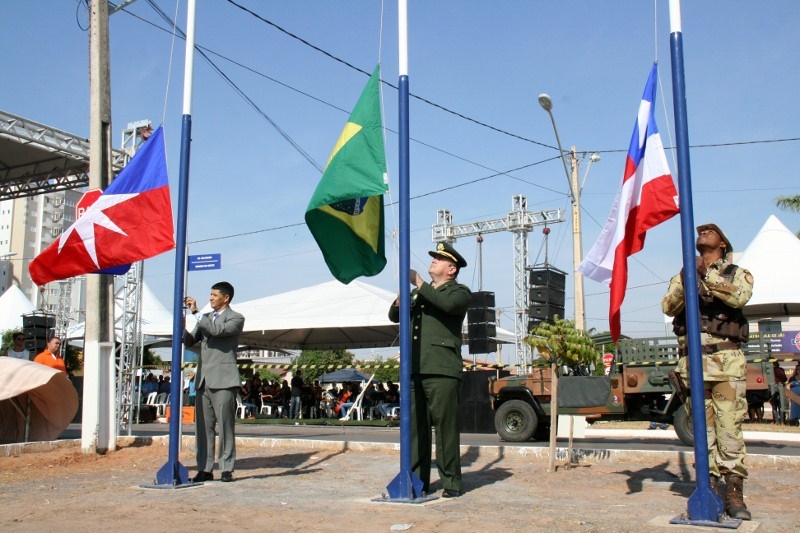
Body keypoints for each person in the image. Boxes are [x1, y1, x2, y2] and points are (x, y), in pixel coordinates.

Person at [661, 223, 753, 520]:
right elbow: (668, 305)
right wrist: (690, 277)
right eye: (700, 231)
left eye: (710, 231)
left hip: (726, 365)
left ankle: (734, 492)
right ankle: (708, 485)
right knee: (703, 432)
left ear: (722, 244)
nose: (702, 233)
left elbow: (739, 298)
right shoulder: (685, 274)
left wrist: (707, 275)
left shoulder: (737, 272)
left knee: (730, 430)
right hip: (693, 366)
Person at [388, 242, 472, 498]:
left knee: (445, 429)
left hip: (442, 369)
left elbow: (446, 306)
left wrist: (420, 283)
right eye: (434, 257)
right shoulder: (418, 294)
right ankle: (417, 482)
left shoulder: (459, 292)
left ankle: (452, 483)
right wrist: (403, 295)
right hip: (415, 369)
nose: (434, 260)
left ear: (452, 269)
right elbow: (394, 316)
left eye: (440, 258)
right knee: (416, 430)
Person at [184, 281, 245, 484]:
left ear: (225, 298)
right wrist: (181, 326)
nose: (210, 298)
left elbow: (217, 331)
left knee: (226, 426)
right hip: (203, 380)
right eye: (210, 294)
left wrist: (195, 312)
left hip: (224, 380)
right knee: (203, 428)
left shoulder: (236, 318)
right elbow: (190, 341)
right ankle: (205, 468)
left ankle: (226, 468)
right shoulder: (205, 318)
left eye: (214, 295)